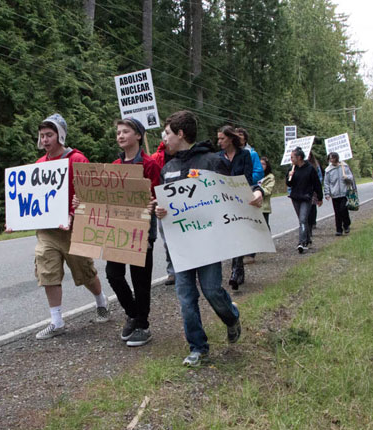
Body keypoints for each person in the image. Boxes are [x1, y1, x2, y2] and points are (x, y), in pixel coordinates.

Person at [154, 111, 263, 367]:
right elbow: (164, 205)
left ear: (180, 134)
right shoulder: (167, 168)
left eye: (167, 133)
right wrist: (159, 209)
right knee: (186, 297)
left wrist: (256, 192)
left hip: (208, 244)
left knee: (212, 290)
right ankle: (198, 348)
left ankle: (232, 317)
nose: (164, 138)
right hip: (181, 247)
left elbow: (237, 188)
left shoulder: (211, 161)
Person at [7, 113, 109, 340]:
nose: (45, 140)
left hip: (74, 228)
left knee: (85, 272)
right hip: (47, 231)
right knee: (47, 270)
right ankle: (57, 321)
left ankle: (101, 301)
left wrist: (78, 208)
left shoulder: (78, 160)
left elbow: (93, 193)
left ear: (60, 136)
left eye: (49, 135)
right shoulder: (38, 165)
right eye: (42, 135)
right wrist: (16, 221)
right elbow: (30, 201)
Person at [105, 118, 161, 347]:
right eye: (118, 132)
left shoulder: (150, 165)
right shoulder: (114, 166)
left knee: (140, 280)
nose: (120, 136)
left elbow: (159, 195)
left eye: (125, 131)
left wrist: (153, 204)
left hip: (142, 229)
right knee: (113, 273)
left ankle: (143, 325)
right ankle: (133, 314)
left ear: (138, 135)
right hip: (119, 230)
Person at [217, 125, 253, 290]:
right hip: (224, 201)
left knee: (239, 233)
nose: (219, 142)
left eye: (222, 139)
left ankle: (235, 271)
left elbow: (248, 176)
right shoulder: (218, 157)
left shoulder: (244, 154)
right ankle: (238, 270)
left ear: (230, 139)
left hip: (240, 199)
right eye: (218, 139)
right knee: (231, 236)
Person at [286, 147, 323, 253]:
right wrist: (289, 177)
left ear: (299, 157)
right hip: (295, 197)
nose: (291, 159)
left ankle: (302, 242)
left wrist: (319, 197)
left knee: (302, 219)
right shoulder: (292, 169)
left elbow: (317, 184)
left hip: (306, 197)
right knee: (303, 220)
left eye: (292, 157)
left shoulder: (310, 168)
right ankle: (307, 238)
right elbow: (289, 184)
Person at [236, 127, 264, 264]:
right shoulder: (231, 153)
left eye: (241, 135)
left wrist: (244, 181)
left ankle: (251, 253)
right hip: (234, 192)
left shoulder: (252, 153)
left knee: (249, 221)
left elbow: (259, 172)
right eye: (237, 135)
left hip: (248, 189)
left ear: (245, 138)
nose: (239, 137)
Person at [151, 136, 176, 285]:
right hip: (163, 203)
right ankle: (172, 271)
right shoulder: (156, 158)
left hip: (181, 202)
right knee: (167, 241)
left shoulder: (184, 156)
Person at [323, 152, 354, 236]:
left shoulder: (344, 166)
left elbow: (351, 178)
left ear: (336, 158)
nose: (331, 160)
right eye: (330, 158)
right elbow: (326, 183)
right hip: (334, 193)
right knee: (337, 212)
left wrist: (347, 178)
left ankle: (346, 224)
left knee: (343, 209)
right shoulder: (328, 170)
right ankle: (339, 229)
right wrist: (327, 193)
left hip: (344, 193)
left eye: (333, 158)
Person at [306, 152, 324, 234]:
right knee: (308, 207)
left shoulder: (315, 165)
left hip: (314, 188)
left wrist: (317, 185)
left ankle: (313, 222)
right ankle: (308, 223)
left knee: (313, 205)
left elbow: (319, 176)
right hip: (306, 188)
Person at [257, 156, 275, 231]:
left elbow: (268, 190)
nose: (261, 166)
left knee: (265, 226)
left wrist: (258, 191)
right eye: (260, 164)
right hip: (254, 205)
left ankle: (268, 241)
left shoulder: (270, 177)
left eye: (263, 164)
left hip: (263, 206)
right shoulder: (255, 175)